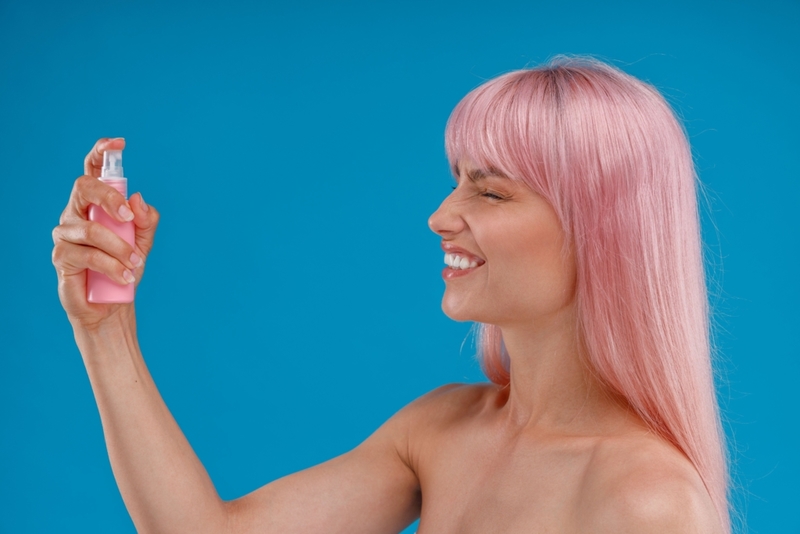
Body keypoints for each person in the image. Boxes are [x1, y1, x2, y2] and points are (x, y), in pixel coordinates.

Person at [51, 55, 731, 533]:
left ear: (598, 233)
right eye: (457, 179)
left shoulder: (648, 503)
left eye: (490, 190)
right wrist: (105, 331)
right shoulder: (441, 431)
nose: (440, 215)